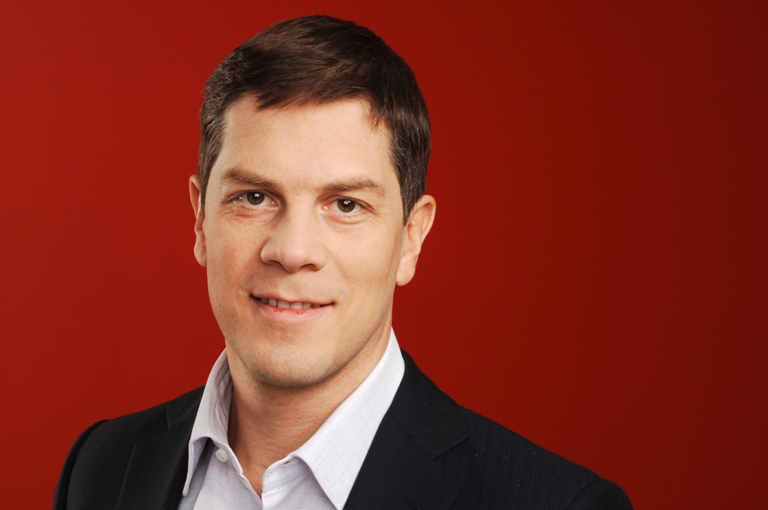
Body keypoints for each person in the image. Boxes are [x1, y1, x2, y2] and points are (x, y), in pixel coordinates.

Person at [54, 15, 632, 510]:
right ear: (201, 220)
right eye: (254, 197)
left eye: (346, 205)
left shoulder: (556, 503)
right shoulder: (101, 467)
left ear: (411, 237)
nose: (292, 251)